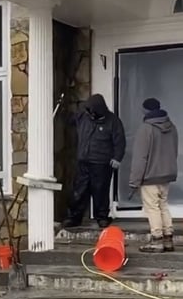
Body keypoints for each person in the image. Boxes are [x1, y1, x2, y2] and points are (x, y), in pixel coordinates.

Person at [63, 93, 126, 230]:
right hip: (83, 161)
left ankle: (102, 217)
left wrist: (117, 158)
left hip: (102, 163)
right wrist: (61, 108)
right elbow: (68, 119)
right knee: (79, 191)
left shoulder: (113, 121)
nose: (89, 112)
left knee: (100, 191)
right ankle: (74, 217)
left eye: (91, 110)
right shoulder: (83, 117)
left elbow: (120, 141)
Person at [129, 97, 178, 253]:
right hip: (166, 175)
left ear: (146, 110)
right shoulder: (172, 127)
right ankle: (168, 239)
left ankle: (156, 240)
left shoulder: (146, 129)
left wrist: (134, 181)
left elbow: (140, 157)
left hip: (150, 176)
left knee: (152, 208)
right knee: (163, 205)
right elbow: (174, 151)